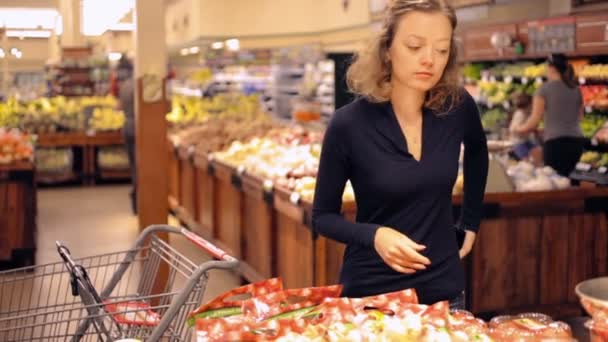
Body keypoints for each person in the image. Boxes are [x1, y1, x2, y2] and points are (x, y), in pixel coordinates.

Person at [312, 0, 488, 309]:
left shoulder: (457, 107)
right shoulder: (348, 124)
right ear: (387, 49)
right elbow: (322, 217)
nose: (429, 60)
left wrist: (470, 222)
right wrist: (375, 236)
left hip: (444, 293)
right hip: (372, 296)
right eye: (414, 46)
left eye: (442, 50)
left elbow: (478, 152)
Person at [515, 53, 584, 176]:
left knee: (555, 181)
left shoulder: (543, 90)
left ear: (551, 68)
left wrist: (519, 129)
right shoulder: (575, 89)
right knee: (566, 179)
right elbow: (580, 117)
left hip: (555, 145)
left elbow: (534, 120)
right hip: (576, 143)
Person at [116, 57, 137, 214]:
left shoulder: (123, 86)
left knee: (133, 165)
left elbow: (119, 107)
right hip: (137, 127)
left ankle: (135, 195)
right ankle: (138, 197)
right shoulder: (137, 86)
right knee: (139, 165)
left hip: (127, 126)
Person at [509, 93, 537, 160]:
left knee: (536, 150)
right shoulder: (520, 114)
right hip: (518, 142)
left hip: (526, 140)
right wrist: (525, 129)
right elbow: (513, 129)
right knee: (526, 158)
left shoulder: (527, 114)